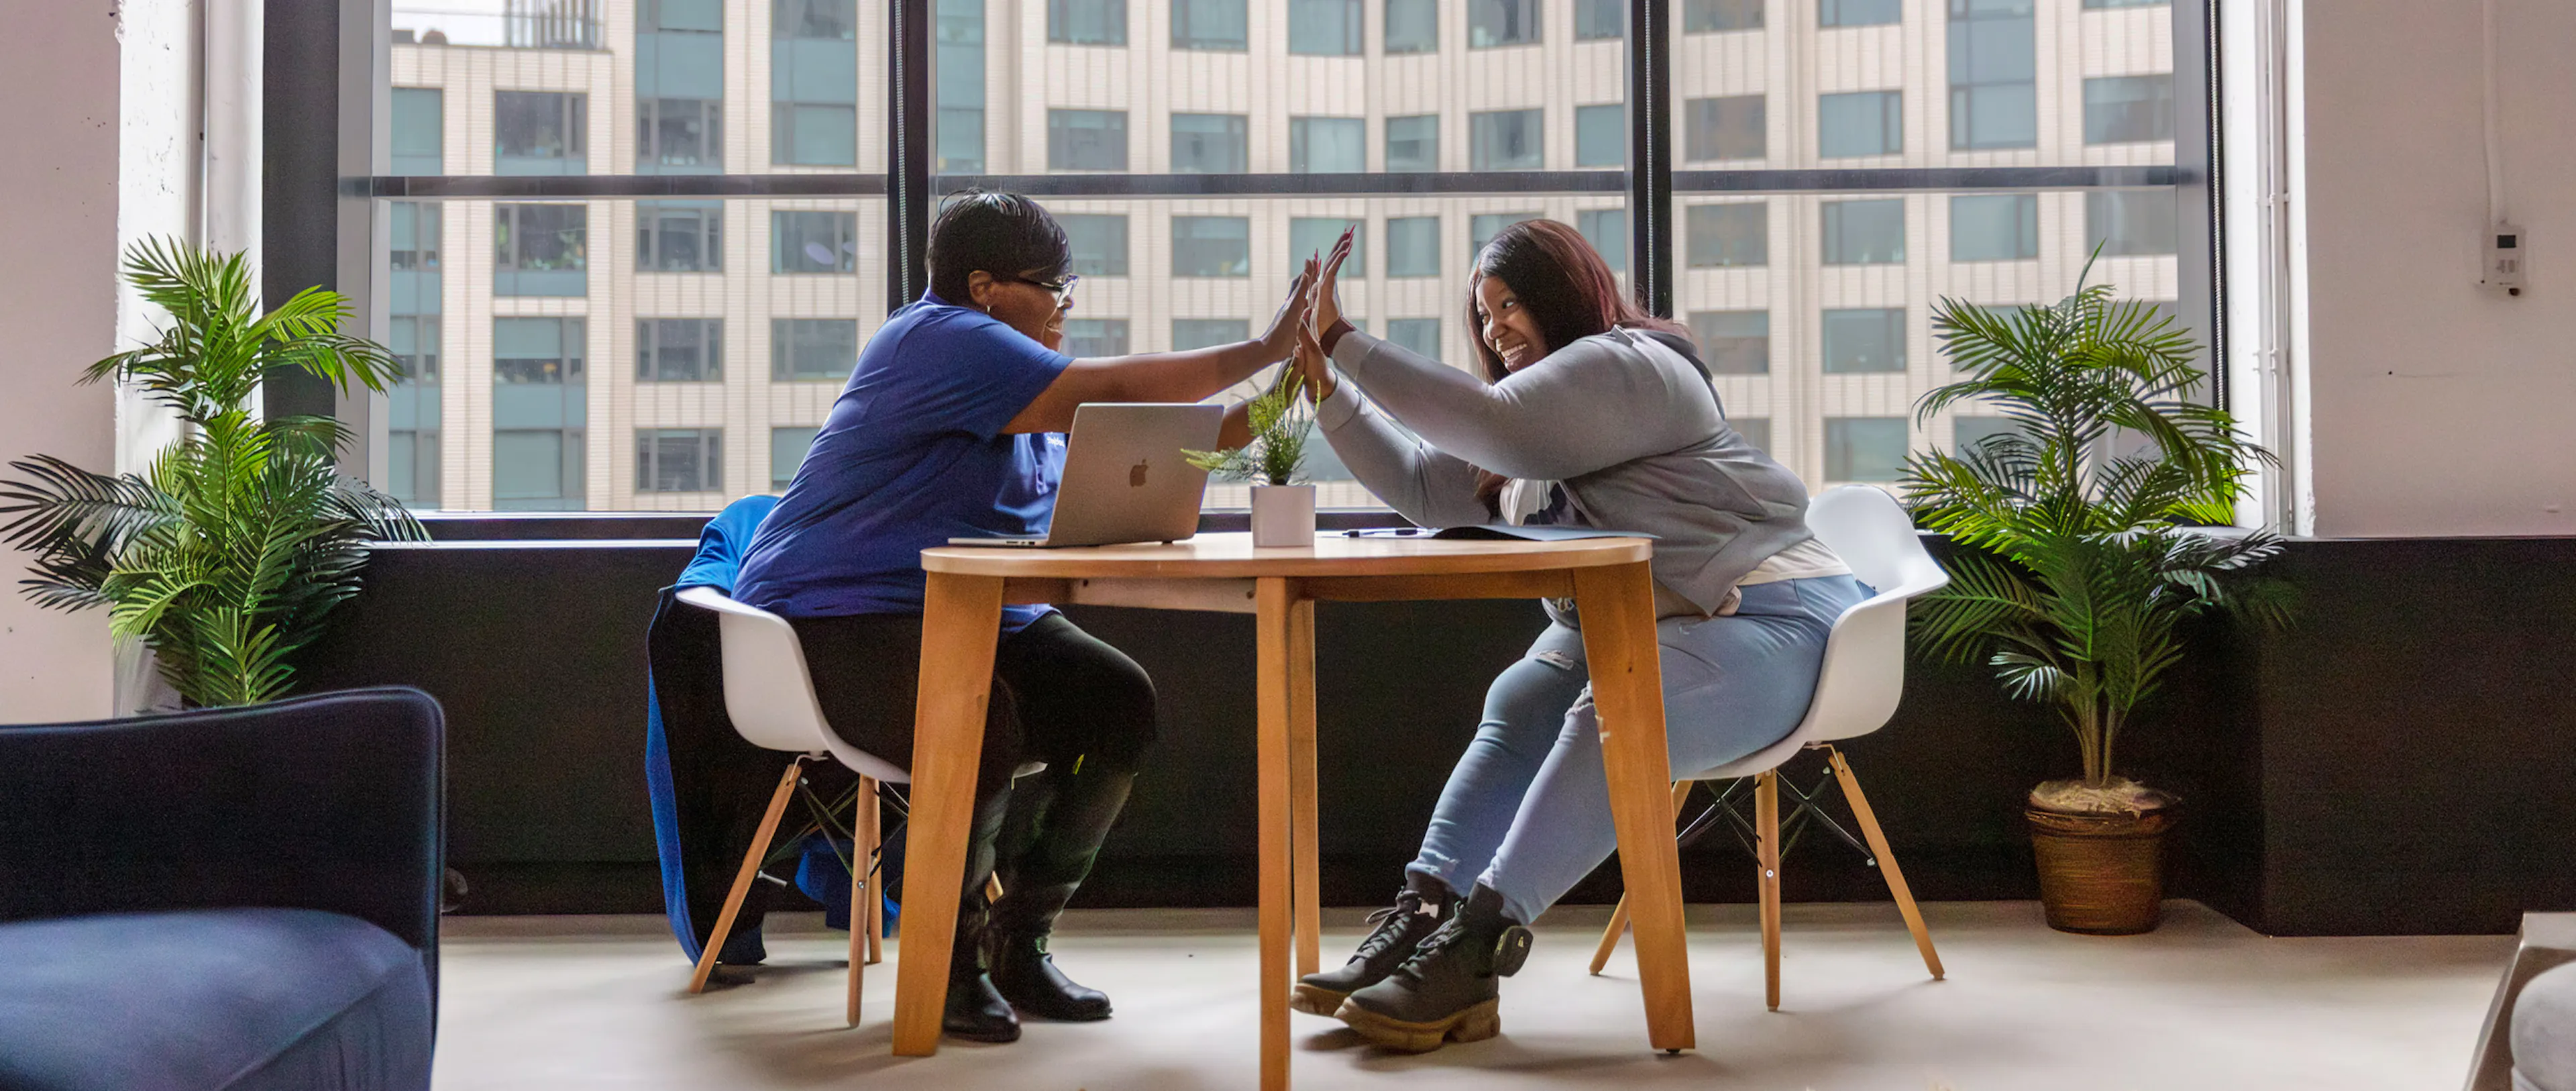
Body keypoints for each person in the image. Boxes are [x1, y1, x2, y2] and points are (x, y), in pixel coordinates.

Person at [1281, 219, 1871, 1052]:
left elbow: (1497, 425)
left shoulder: (1636, 366)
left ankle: (1479, 946)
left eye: (1511, 303)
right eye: (1484, 317)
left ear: (1564, 293)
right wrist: (1325, 386)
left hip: (1776, 618)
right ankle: (1425, 917)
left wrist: (1342, 337)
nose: (1495, 330)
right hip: (1647, 622)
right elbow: (1428, 490)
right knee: (1522, 694)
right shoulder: (1533, 427)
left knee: (1622, 704)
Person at [731, 191, 1307, 1043]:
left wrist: (1295, 388)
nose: (1066, 308)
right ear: (987, 288)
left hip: (968, 612)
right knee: (980, 724)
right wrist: (1266, 348)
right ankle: (952, 957)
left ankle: (1018, 938)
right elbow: (1112, 387)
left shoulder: (1030, 401)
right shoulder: (937, 337)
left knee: (1120, 702)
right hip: (831, 615)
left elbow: (1176, 434)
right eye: (1055, 289)